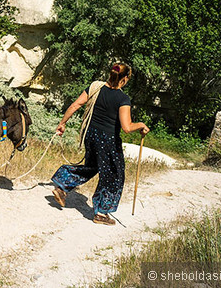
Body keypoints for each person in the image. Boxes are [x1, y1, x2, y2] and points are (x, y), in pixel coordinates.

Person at [49, 63, 149, 225]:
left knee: (92, 167)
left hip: (91, 135)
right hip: (108, 141)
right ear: (124, 79)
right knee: (114, 175)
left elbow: (76, 105)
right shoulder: (123, 99)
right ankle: (101, 213)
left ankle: (62, 186)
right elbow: (127, 127)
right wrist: (142, 125)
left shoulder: (96, 87)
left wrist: (63, 123)